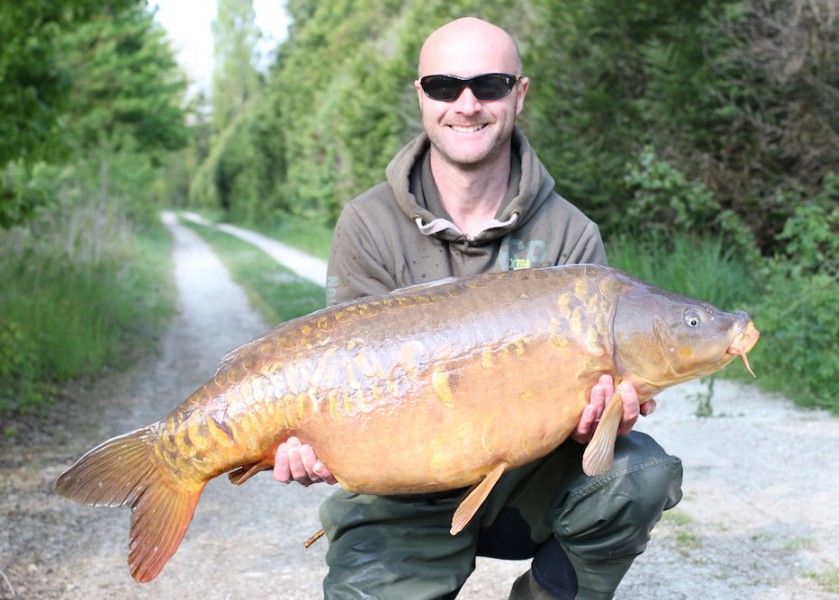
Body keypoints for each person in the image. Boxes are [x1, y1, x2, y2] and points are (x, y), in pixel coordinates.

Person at [272, 17, 683, 600]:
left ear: (519, 93)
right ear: (422, 97)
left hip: (522, 484)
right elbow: (347, 383)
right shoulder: (368, 223)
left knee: (637, 474)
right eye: (444, 86)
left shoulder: (570, 235)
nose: (466, 104)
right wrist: (312, 441)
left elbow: (584, 424)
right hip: (401, 493)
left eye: (489, 85)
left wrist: (600, 419)